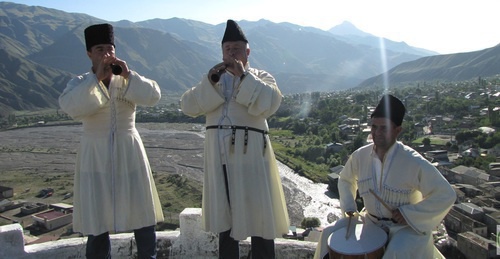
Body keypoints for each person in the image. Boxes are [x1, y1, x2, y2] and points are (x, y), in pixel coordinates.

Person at [180, 19, 290, 259]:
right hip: (219, 159)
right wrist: (208, 82)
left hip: (252, 160)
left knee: (259, 216)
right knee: (225, 220)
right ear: (221, 52)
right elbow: (188, 105)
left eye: (237, 48)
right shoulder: (212, 79)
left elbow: (271, 103)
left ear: (247, 51)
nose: (231, 52)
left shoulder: (262, 77)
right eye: (227, 48)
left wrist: (243, 78)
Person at [58, 23, 164, 259]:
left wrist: (128, 74)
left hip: (130, 150)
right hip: (94, 154)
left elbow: (154, 95)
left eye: (110, 49)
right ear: (89, 53)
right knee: (98, 218)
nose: (106, 54)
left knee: (142, 213)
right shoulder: (79, 82)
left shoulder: (127, 79)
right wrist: (96, 79)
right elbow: (71, 107)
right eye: (99, 49)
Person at [314, 94, 456, 259]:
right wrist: (350, 209)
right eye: (374, 127)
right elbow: (346, 180)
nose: (377, 133)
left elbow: (446, 194)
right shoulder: (360, 156)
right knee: (329, 233)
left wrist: (409, 213)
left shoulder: (413, 161)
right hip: (370, 222)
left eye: (384, 128)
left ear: (398, 130)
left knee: (397, 251)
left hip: (405, 228)